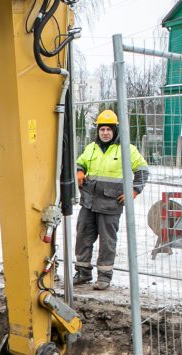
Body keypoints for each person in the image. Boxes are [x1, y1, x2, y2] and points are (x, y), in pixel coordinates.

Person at [74, 109, 149, 290]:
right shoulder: (91, 148)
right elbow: (80, 162)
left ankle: (104, 277)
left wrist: (134, 191)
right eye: (102, 129)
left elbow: (142, 171)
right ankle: (83, 273)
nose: (105, 133)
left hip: (111, 204)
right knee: (83, 236)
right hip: (88, 202)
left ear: (115, 130)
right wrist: (79, 171)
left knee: (107, 241)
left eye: (108, 129)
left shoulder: (126, 149)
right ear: (98, 131)